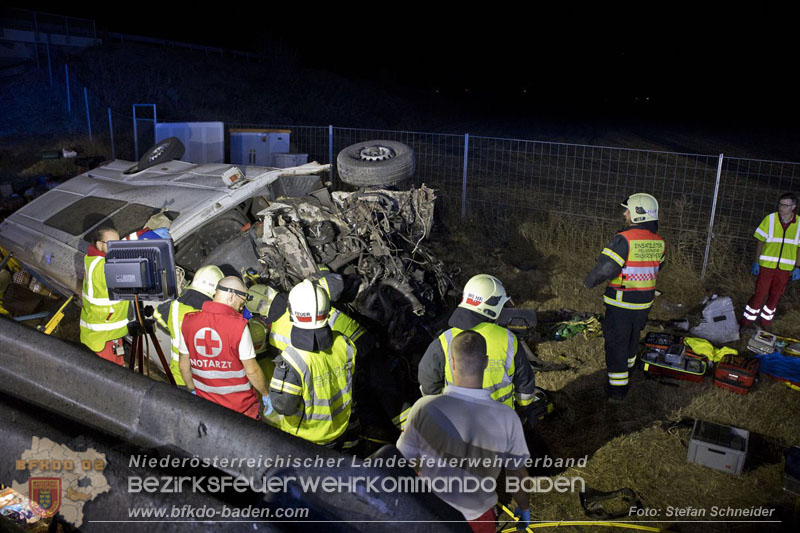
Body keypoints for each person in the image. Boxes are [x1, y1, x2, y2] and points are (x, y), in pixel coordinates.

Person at [398, 330, 531, 532]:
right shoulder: (507, 417)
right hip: (478, 518)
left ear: (451, 362)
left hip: (431, 512)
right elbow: (517, 474)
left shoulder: (424, 408)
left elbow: (401, 462)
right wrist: (524, 507)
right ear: (485, 362)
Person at [417, 274, 537, 423]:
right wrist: (525, 409)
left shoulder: (444, 341)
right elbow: (524, 382)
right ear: (493, 305)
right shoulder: (508, 339)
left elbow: (427, 379)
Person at [584, 193, 665, 401]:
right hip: (644, 304)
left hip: (621, 304)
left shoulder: (624, 239)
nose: (624, 213)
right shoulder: (658, 242)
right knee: (631, 341)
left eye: (628, 210)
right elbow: (658, 266)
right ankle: (628, 373)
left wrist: (589, 282)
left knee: (616, 345)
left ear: (638, 214)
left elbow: (606, 268)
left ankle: (617, 391)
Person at [268, 279, 359, 450]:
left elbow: (283, 406)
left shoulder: (292, 360)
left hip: (307, 438)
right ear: (327, 312)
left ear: (292, 313)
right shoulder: (344, 343)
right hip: (340, 429)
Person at [178, 276, 268, 419]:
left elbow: (184, 365)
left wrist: (192, 389)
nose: (241, 307)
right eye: (242, 302)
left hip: (207, 408)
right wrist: (265, 394)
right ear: (232, 296)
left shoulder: (189, 321)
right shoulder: (238, 326)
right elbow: (252, 371)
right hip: (242, 411)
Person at [153, 265, 224, 386]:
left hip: (178, 378)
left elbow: (157, 315)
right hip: (206, 383)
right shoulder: (217, 315)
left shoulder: (174, 306)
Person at [742, 192, 800, 329]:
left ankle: (765, 323)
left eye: (786, 205)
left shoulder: (799, 224)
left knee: (775, 296)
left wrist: (798, 266)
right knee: (759, 294)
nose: (782, 208)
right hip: (766, 266)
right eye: (781, 204)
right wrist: (756, 261)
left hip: (785, 269)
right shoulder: (770, 219)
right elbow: (760, 241)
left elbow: (799, 248)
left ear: (793, 207)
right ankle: (746, 322)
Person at [79, 226, 129, 365]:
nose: (116, 248)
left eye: (118, 243)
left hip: (109, 332)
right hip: (102, 336)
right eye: (111, 244)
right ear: (99, 244)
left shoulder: (93, 259)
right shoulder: (102, 266)